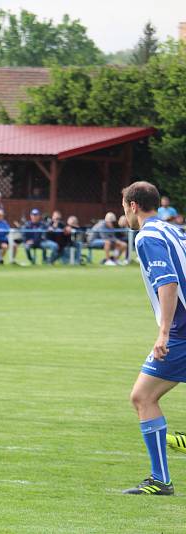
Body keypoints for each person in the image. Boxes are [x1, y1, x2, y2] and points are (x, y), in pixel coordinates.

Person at [119, 180, 186, 495]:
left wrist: (163, 333)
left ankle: (161, 480)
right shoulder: (174, 229)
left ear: (133, 205)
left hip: (182, 330)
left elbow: (169, 282)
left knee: (142, 397)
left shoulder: (147, 236)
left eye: (124, 208)